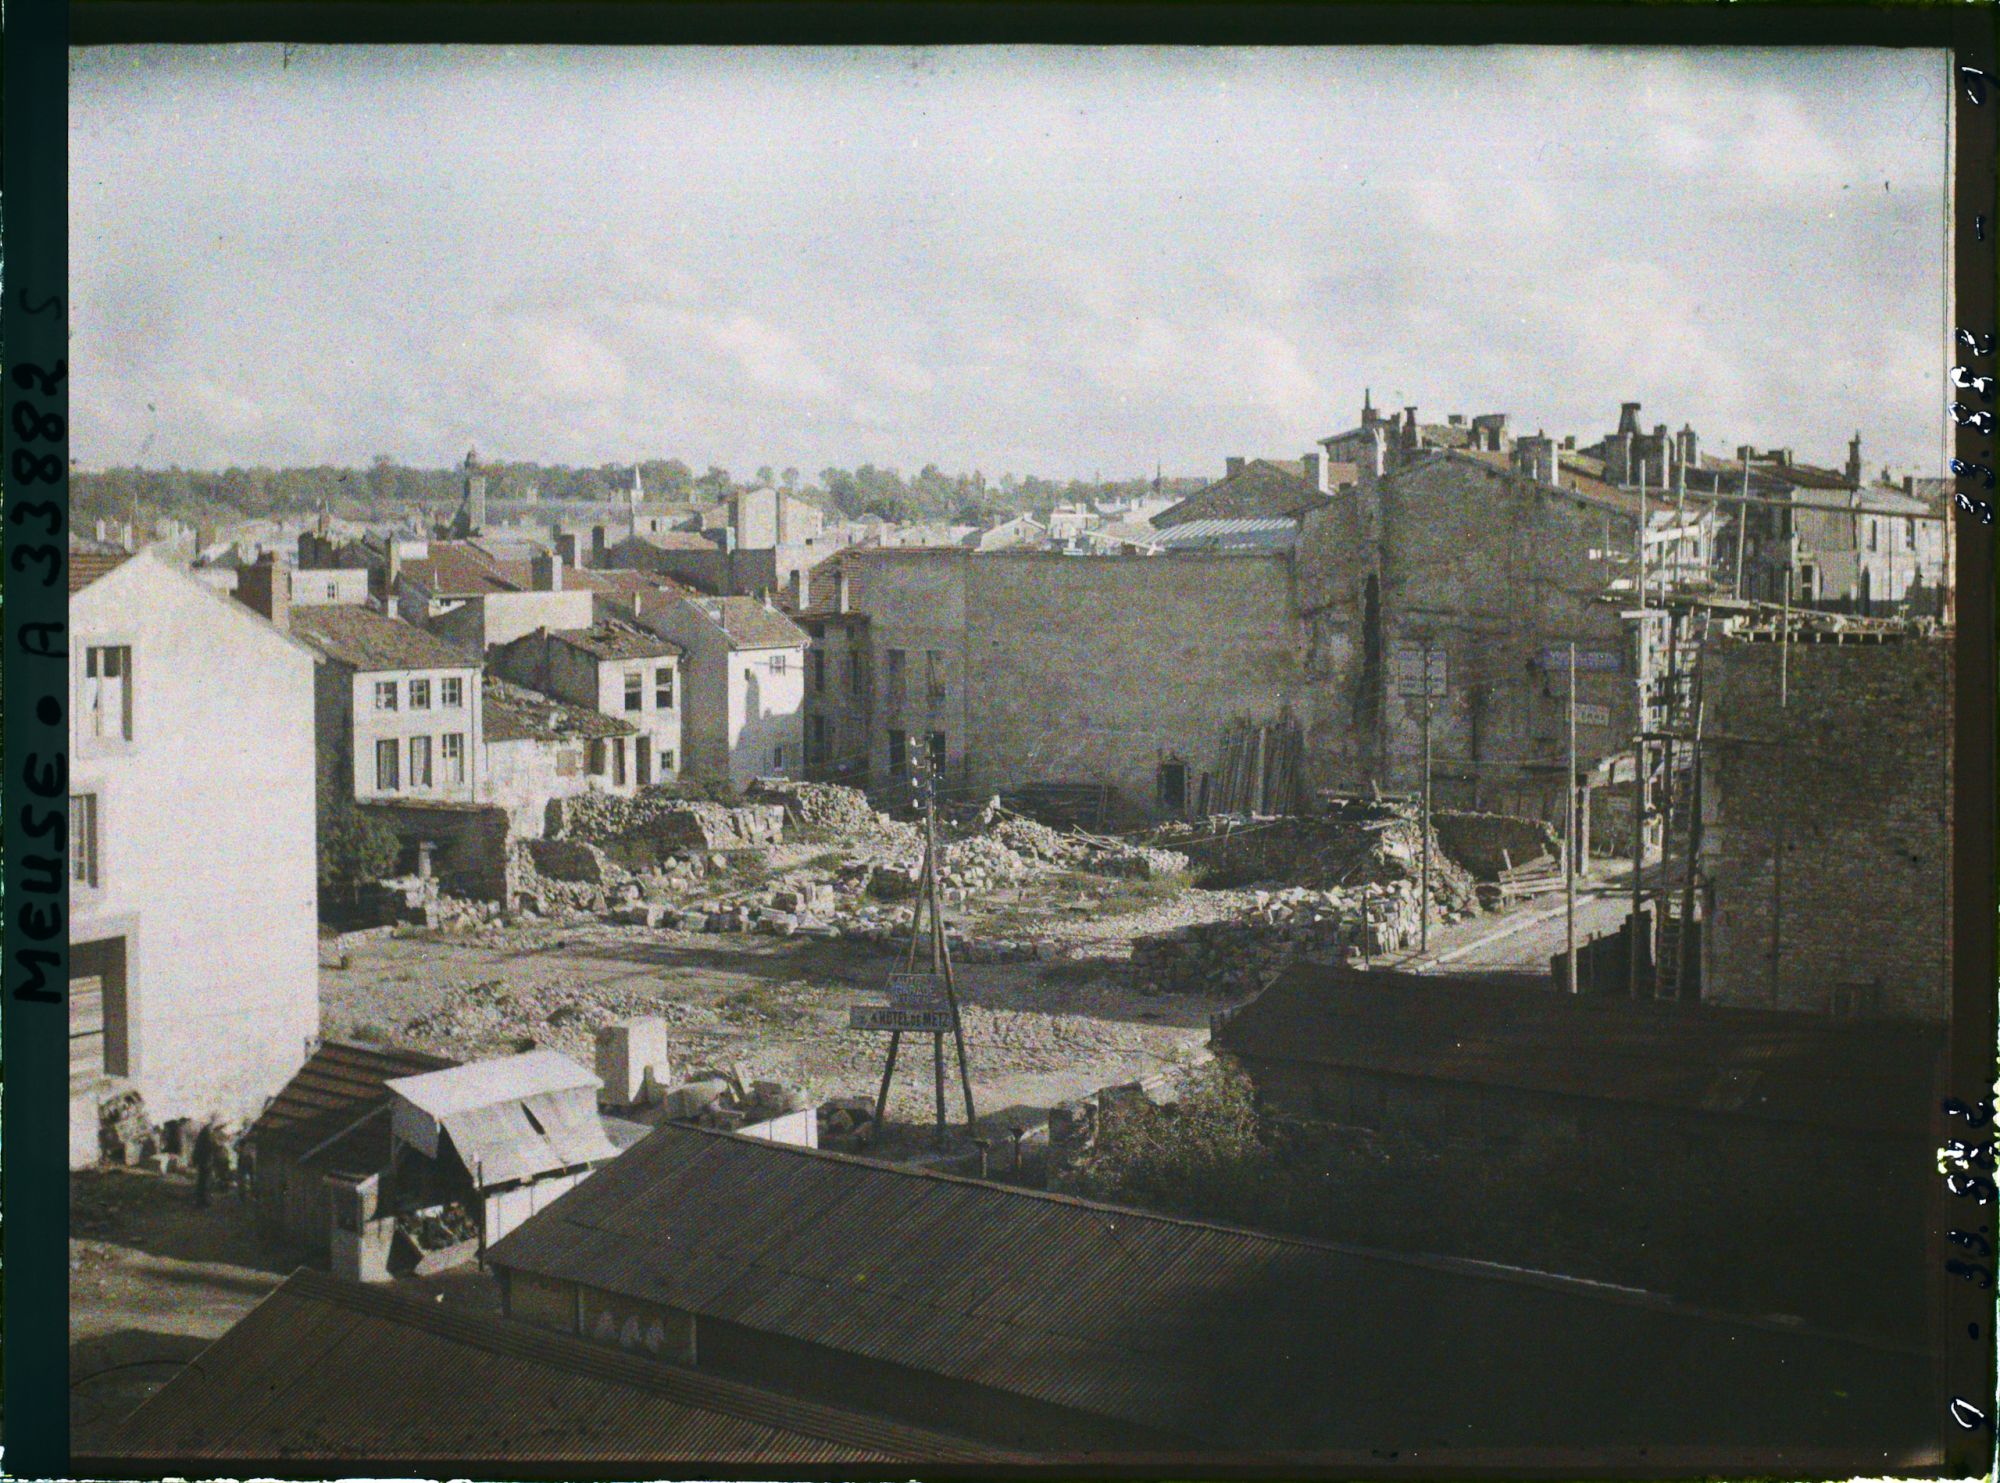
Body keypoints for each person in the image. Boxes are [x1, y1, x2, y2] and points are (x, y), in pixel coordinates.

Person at [192, 1121, 215, 1209]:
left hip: (202, 1161)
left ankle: (201, 1201)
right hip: (205, 1161)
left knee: (202, 1181)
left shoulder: (203, 1135)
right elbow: (209, 1148)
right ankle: (203, 1201)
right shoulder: (207, 1135)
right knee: (205, 1182)